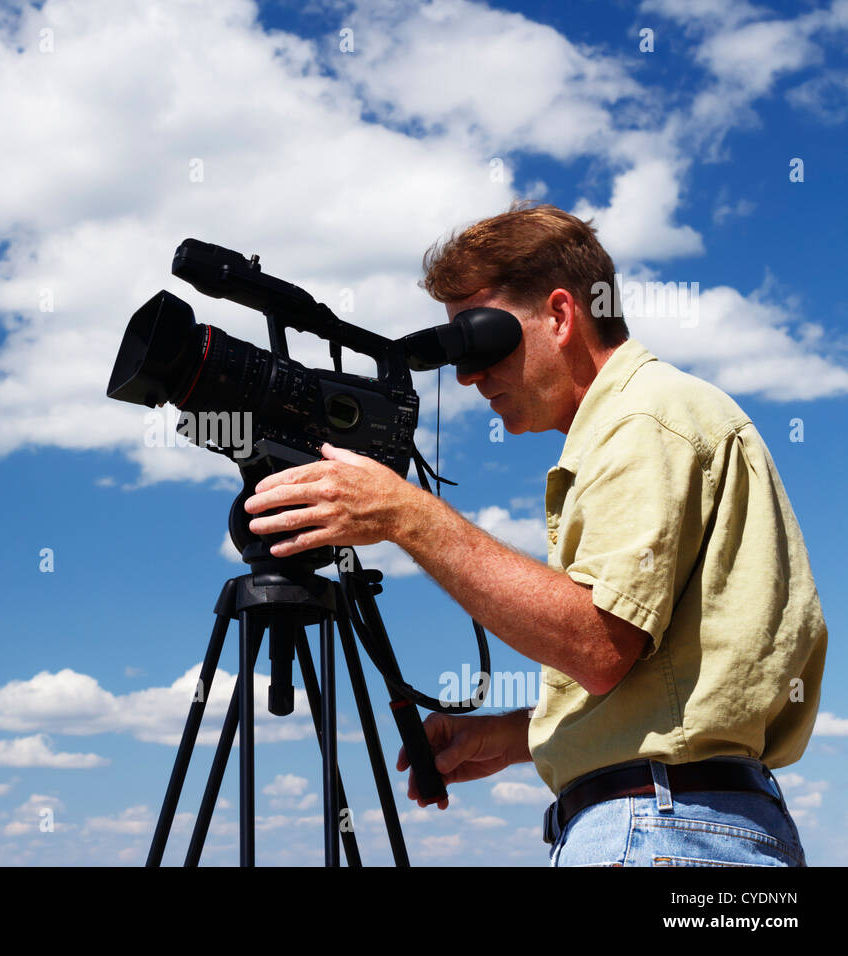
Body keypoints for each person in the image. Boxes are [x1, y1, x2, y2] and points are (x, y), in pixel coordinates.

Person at [243, 201, 827, 866]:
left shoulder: (643, 418)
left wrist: (405, 515)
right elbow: (664, 684)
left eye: (482, 341)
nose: (468, 376)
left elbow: (598, 646)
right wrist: (522, 735)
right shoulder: (660, 415)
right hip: (694, 822)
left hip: (664, 827)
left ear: (559, 314)